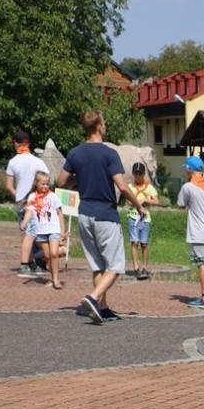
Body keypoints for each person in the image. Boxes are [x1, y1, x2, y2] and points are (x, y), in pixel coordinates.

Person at [58, 110, 146, 325]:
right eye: (104, 123)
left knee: (98, 265)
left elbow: (61, 182)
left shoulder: (75, 153)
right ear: (98, 126)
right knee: (116, 266)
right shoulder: (109, 154)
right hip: (105, 214)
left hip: (85, 212)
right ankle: (93, 297)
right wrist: (139, 205)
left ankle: (102, 309)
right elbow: (123, 186)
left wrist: (81, 180)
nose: (105, 126)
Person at [4, 129, 50, 274]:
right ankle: (35, 263)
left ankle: (27, 263)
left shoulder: (13, 162)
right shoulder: (39, 162)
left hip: (22, 203)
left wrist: (19, 195)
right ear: (28, 144)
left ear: (16, 144)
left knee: (27, 234)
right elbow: (46, 182)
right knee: (38, 234)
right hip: (38, 202)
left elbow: (8, 186)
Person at [177, 155, 204, 309]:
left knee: (201, 264)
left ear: (189, 170)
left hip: (198, 232)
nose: (185, 172)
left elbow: (181, 204)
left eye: (186, 169)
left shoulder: (187, 187)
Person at [19, 172, 64, 290]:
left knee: (54, 253)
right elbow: (29, 211)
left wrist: (62, 231)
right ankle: (52, 278)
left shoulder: (53, 196)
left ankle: (56, 280)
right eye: (43, 184)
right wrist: (24, 222)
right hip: (41, 231)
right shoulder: (32, 197)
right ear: (36, 183)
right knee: (48, 256)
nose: (45, 186)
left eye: (47, 184)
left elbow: (59, 213)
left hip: (53, 229)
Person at [127, 162, 159, 281]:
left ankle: (145, 267)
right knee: (134, 242)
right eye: (136, 173)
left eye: (140, 174)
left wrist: (146, 200)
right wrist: (137, 203)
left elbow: (157, 201)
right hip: (133, 217)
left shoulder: (149, 187)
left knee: (144, 243)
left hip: (145, 218)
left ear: (144, 174)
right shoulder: (130, 187)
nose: (138, 176)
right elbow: (128, 201)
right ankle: (136, 267)